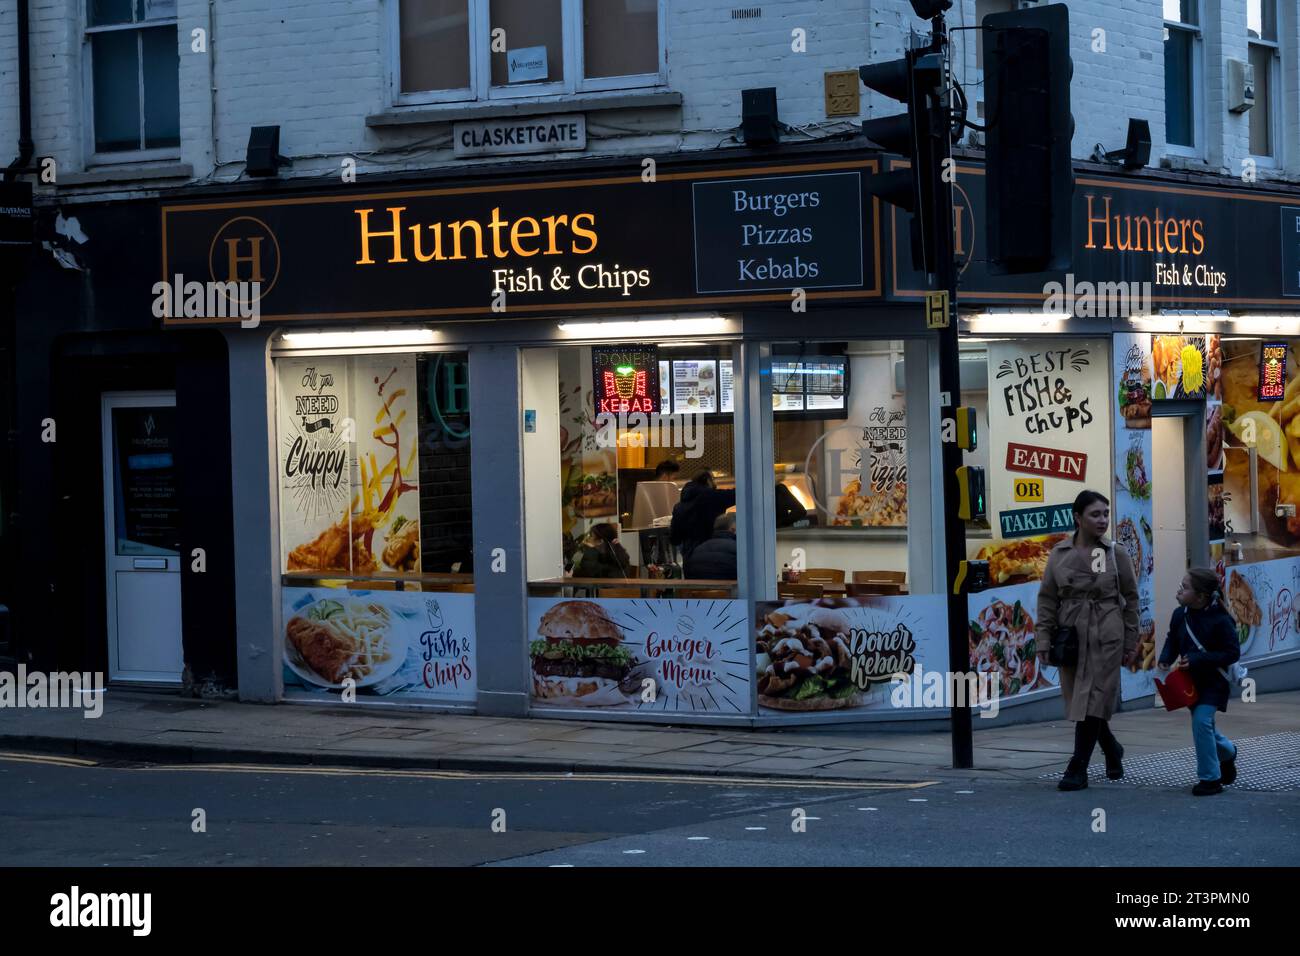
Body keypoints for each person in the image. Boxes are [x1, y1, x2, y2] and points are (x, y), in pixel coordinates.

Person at [1036, 489, 1140, 791]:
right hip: (1071, 635)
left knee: (1095, 697)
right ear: (1078, 518)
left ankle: (1077, 766)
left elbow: (1131, 599)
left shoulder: (1114, 552)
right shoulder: (1059, 554)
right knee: (1081, 700)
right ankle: (1111, 747)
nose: (1103, 520)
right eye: (1095, 514)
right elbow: (1047, 600)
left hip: (1107, 631)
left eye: (1106, 514)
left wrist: (1131, 640)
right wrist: (1043, 640)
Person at [1158, 568, 1241, 796]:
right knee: (1206, 727)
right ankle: (1228, 752)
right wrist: (1166, 659)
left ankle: (1210, 779)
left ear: (1201, 596)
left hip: (1214, 682)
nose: (1179, 590)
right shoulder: (1180, 614)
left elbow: (1231, 653)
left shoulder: (1221, 620)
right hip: (1190, 683)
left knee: (1201, 723)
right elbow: (1172, 639)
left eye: (1185, 588)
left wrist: (1196, 659)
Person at [670, 471, 736, 561]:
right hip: (712, 551)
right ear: (708, 480)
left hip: (689, 554)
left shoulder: (679, 506)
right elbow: (735, 494)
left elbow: (674, 538)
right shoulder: (712, 496)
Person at [684, 513, 737, 580]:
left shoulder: (697, 549)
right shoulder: (737, 548)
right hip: (730, 589)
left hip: (700, 589)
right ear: (733, 530)